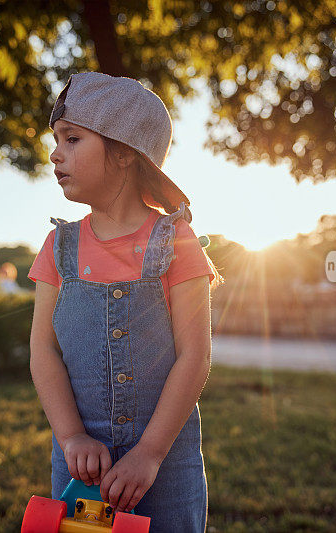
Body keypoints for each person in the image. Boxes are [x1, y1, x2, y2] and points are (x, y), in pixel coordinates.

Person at [27, 71, 224, 532]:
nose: (55, 154)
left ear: (123, 153)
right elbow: (43, 349)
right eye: (55, 140)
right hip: (82, 468)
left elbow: (195, 354)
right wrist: (72, 435)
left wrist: (150, 454)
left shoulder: (177, 241)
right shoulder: (58, 246)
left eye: (72, 139)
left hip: (163, 465)